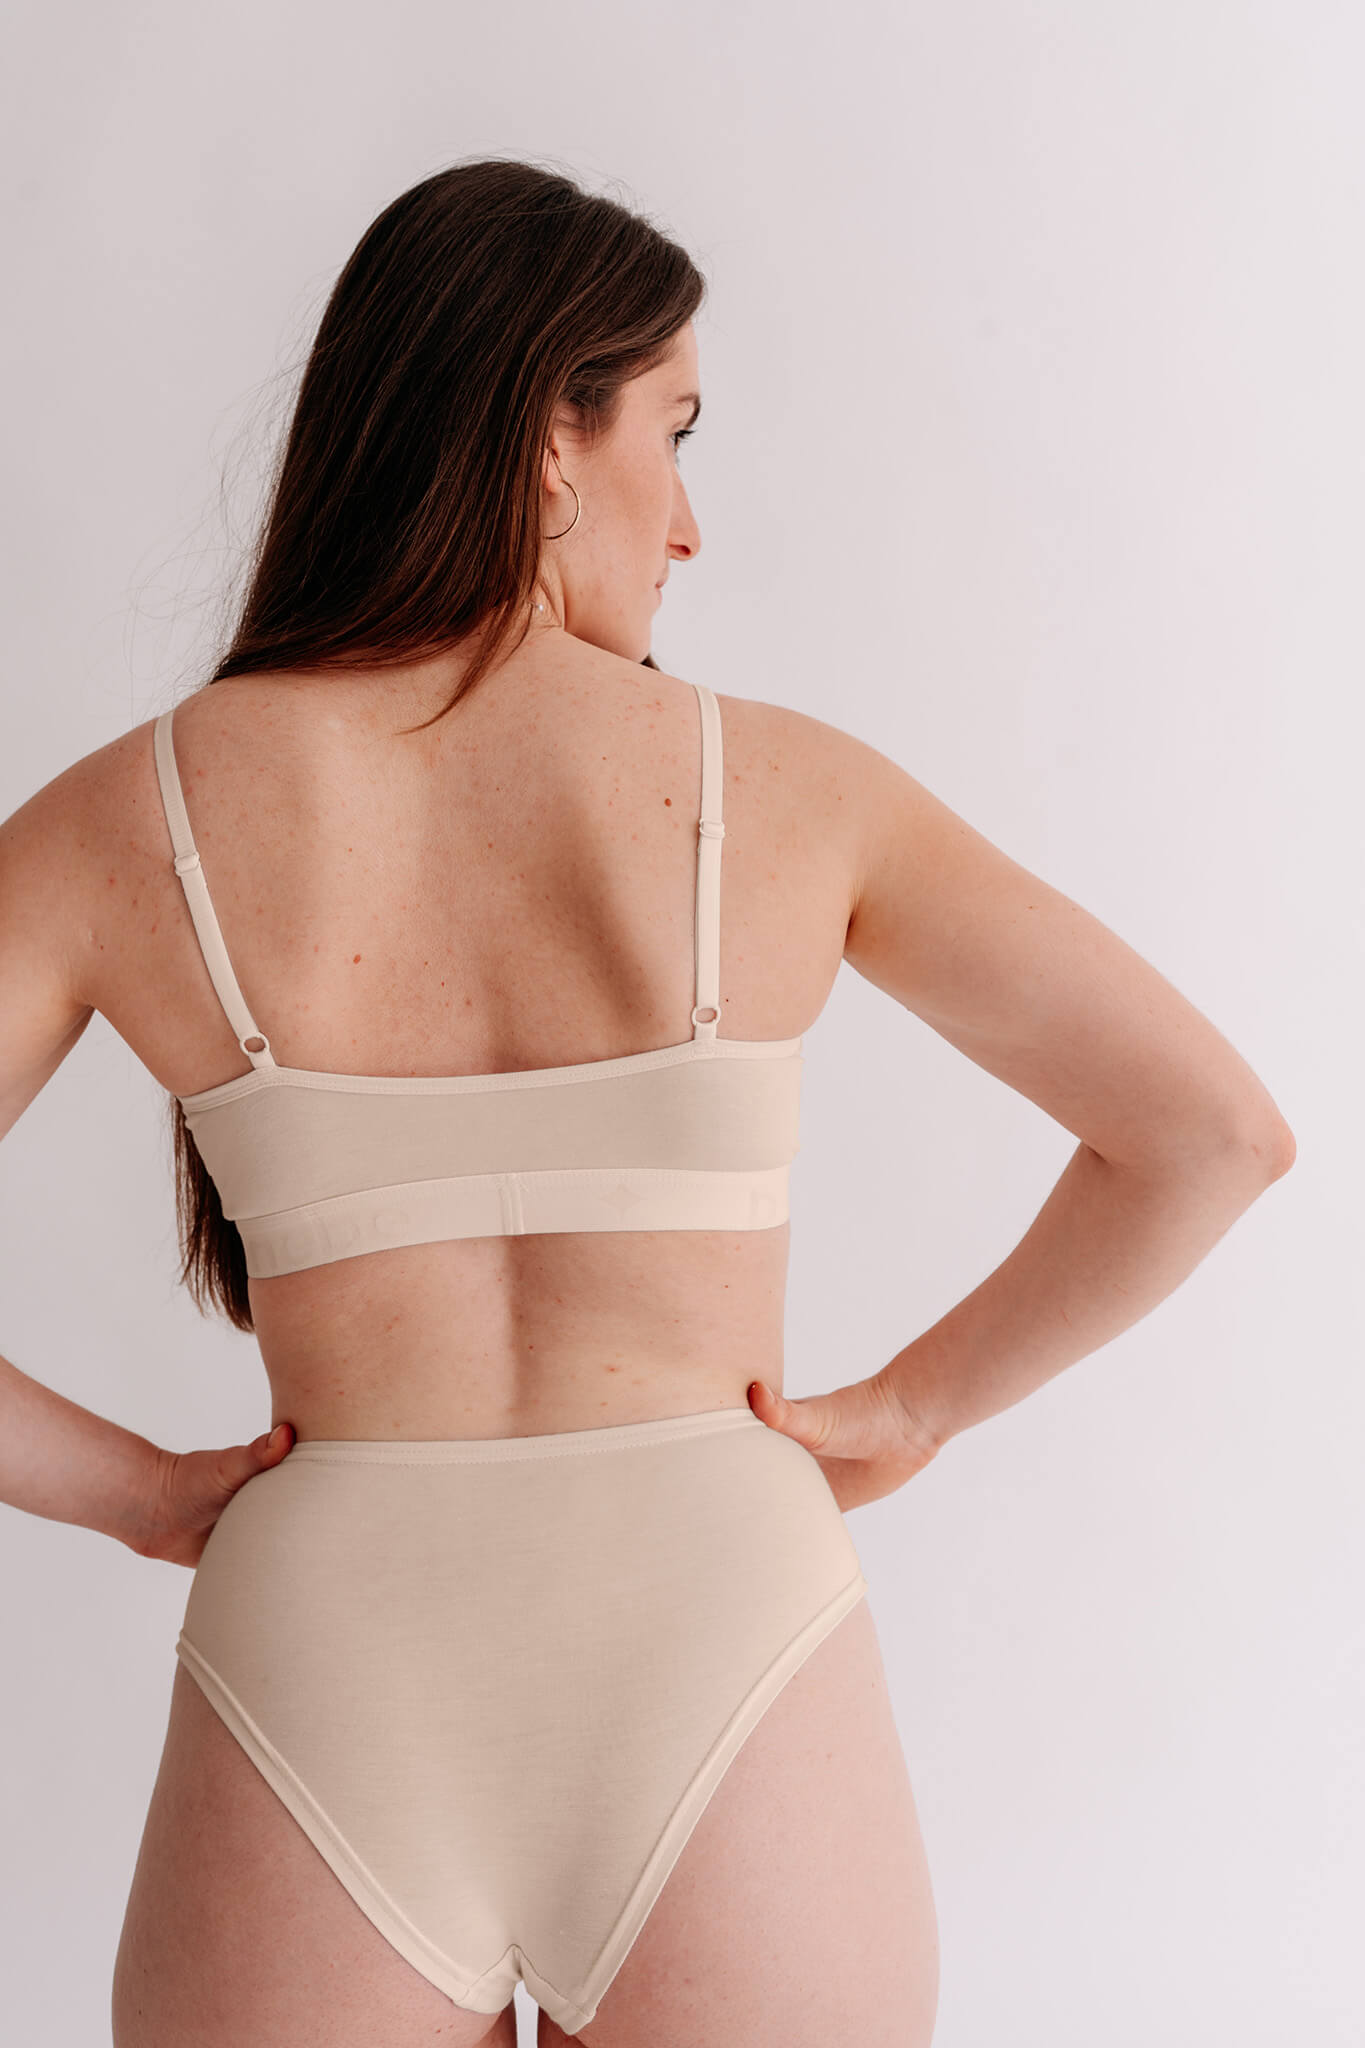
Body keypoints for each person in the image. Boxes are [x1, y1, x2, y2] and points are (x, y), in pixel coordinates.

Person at [0, 158, 1294, 2048]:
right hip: (721, 1623)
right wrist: (909, 1410)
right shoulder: (787, 793)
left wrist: (134, 1494)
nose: (685, 524)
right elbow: (1211, 1134)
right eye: (671, 433)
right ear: (550, 435)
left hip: (324, 1639)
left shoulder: (134, 820)